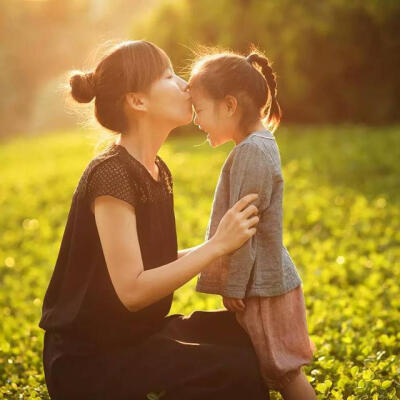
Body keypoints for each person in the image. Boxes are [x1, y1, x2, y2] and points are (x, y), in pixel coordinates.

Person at [38, 40, 270, 400]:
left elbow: (154, 265)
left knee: (242, 334)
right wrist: (215, 246)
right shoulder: (110, 175)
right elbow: (132, 290)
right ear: (138, 101)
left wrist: (224, 250)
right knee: (231, 369)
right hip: (91, 361)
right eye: (168, 75)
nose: (185, 85)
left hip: (136, 338)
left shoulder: (157, 170)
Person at [188, 47, 317, 400]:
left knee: (283, 371)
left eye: (199, 110)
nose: (196, 120)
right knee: (271, 367)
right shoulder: (257, 145)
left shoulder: (251, 151)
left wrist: (235, 284)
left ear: (229, 106)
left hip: (262, 288)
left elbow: (245, 227)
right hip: (263, 283)